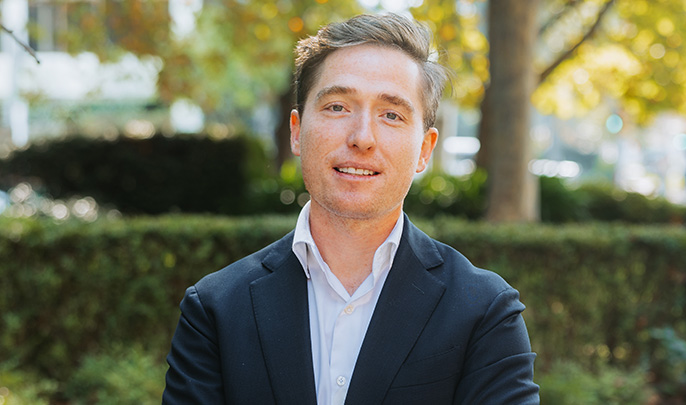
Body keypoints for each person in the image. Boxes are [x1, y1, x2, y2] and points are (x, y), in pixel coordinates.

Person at [163, 13, 539, 404]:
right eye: (338, 107)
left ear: (425, 150)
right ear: (296, 131)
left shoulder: (485, 312)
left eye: (391, 114)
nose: (362, 138)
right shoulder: (215, 310)